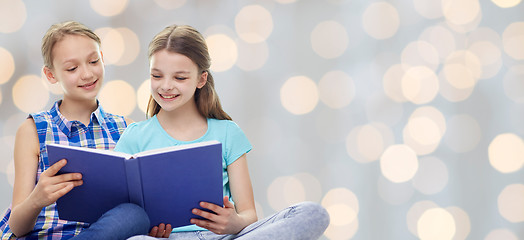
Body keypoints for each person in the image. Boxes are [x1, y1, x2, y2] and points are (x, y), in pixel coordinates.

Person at [117, 24, 330, 240]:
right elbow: (118, 214)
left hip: (221, 237)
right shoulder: (134, 136)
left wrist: (235, 222)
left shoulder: (227, 133)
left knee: (312, 212)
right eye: (156, 76)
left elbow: (249, 215)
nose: (166, 86)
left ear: (201, 79)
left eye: (179, 78)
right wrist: (145, 229)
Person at [0, 21, 150, 240]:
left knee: (136, 215)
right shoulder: (34, 130)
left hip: (103, 234)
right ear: (51, 75)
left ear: (103, 59)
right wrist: (37, 198)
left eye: (93, 61)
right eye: (72, 68)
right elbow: (17, 226)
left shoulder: (125, 127)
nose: (87, 74)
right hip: (43, 236)